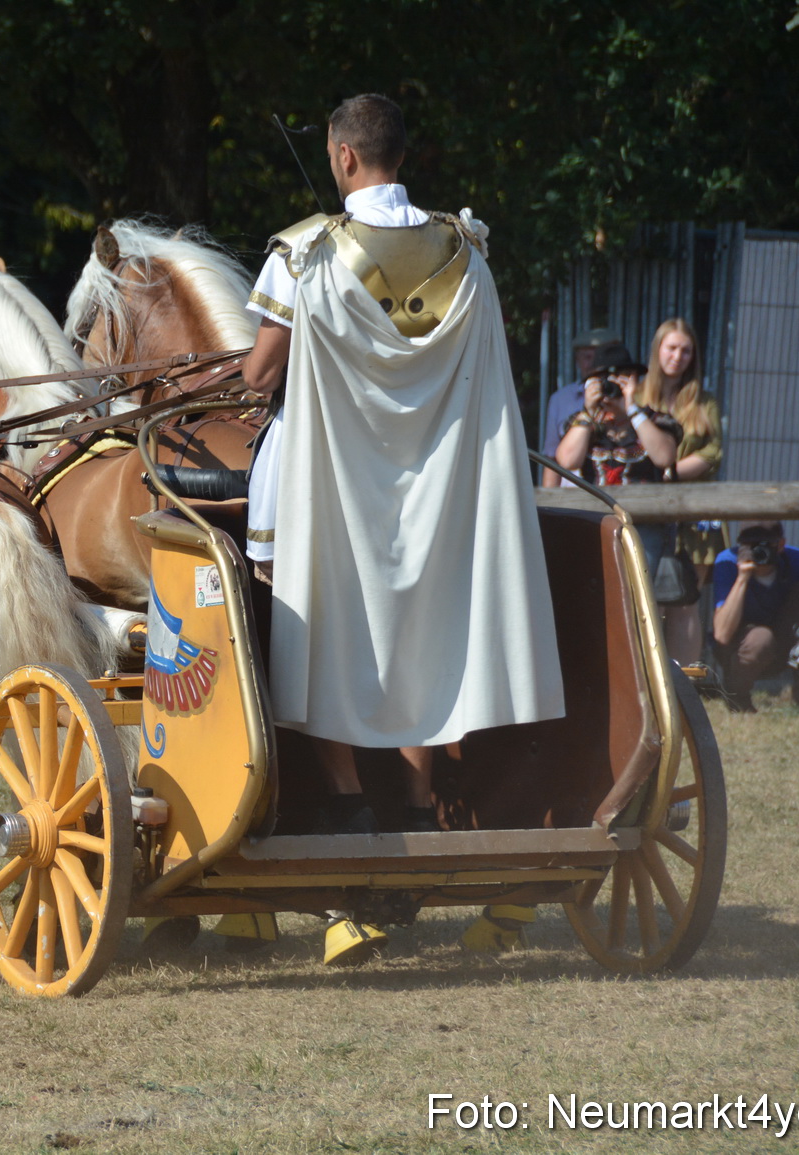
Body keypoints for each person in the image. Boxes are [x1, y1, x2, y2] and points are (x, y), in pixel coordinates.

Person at [240, 95, 565, 844]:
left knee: (317, 629)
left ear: (344, 157)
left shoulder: (303, 253)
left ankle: (350, 798)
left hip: (328, 493)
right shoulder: (467, 251)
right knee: (418, 632)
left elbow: (260, 377)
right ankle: (418, 798)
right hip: (440, 494)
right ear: (401, 156)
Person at [635, 318, 725, 666]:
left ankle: (686, 686)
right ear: (658, 350)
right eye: (671, 347)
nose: (678, 356)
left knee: (687, 598)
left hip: (695, 510)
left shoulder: (704, 400)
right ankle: (649, 685)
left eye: (686, 350)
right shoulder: (637, 396)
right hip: (646, 509)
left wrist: (668, 472)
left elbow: (712, 453)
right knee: (647, 599)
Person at [551, 340, 681, 574]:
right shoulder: (585, 423)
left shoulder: (655, 421)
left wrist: (631, 407)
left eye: (621, 378)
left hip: (644, 524)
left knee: (639, 598)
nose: (612, 387)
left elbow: (664, 456)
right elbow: (568, 461)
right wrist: (589, 411)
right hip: (595, 522)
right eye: (605, 381)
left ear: (633, 379)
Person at [711, 522, 799, 713]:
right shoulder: (728, 561)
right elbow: (721, 634)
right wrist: (742, 578)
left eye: (764, 545)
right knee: (760, 638)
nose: (758, 551)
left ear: (780, 545)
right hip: (746, 647)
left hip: (788, 644)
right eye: (749, 545)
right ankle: (738, 697)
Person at [540, 327, 623, 488]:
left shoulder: (632, 394)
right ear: (577, 361)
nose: (593, 363)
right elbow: (551, 459)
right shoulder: (560, 399)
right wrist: (547, 506)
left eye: (600, 357)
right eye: (587, 357)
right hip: (572, 498)